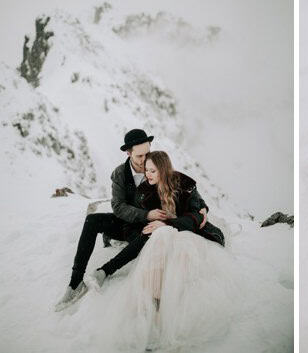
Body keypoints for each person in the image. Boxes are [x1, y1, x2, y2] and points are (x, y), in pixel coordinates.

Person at [54, 129, 223, 312]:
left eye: (147, 154)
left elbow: (189, 194)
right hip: (131, 222)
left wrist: (202, 208)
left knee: (151, 236)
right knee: (92, 221)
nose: (144, 160)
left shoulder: (160, 168)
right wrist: (147, 215)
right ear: (129, 153)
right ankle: (75, 283)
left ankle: (119, 276)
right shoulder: (120, 174)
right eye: (140, 156)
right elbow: (118, 207)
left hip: (155, 228)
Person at [101, 150, 237, 351]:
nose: (148, 175)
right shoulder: (145, 191)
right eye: (146, 170)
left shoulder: (183, 184)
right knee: (159, 238)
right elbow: (141, 230)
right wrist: (108, 268)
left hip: (193, 236)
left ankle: (169, 311)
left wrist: (167, 224)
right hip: (164, 237)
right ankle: (153, 305)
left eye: (153, 170)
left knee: (173, 241)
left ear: (163, 169)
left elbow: (198, 217)